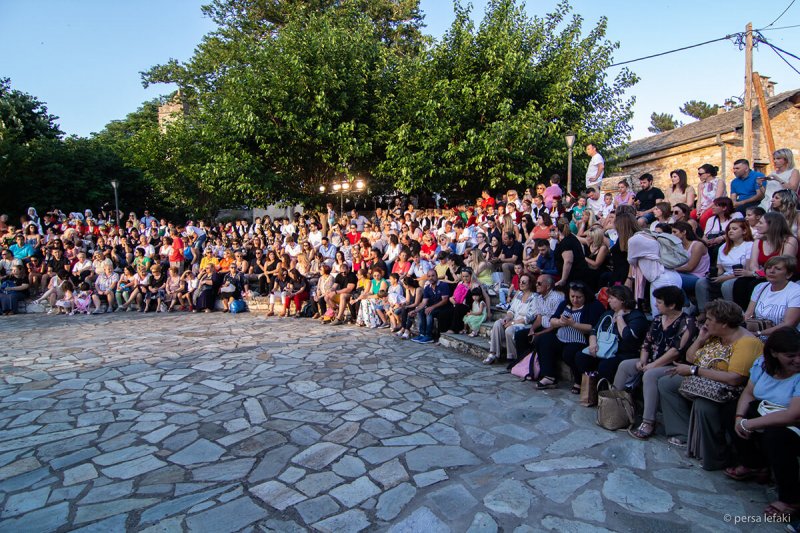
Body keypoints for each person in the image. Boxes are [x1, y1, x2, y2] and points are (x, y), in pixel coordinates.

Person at [658, 300, 762, 469]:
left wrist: (694, 371)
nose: (705, 323)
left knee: (704, 405)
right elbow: (691, 358)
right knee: (666, 382)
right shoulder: (715, 335)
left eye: (710, 319)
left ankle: (715, 457)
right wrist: (700, 339)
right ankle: (682, 433)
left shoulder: (746, 343)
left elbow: (735, 378)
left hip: (728, 389)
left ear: (724, 324)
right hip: (705, 380)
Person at [727, 327, 800, 520]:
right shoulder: (762, 365)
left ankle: (790, 499)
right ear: (774, 353)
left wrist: (749, 424)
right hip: (766, 409)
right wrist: (739, 418)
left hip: (792, 421)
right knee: (732, 409)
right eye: (790, 355)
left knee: (776, 437)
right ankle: (754, 464)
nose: (798, 360)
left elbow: (793, 414)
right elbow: (749, 393)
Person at [616, 286, 696, 440]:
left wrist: (652, 365)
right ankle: (617, 409)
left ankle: (648, 422)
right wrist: (643, 360)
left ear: (671, 305)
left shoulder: (687, 322)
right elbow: (647, 343)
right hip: (652, 360)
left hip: (673, 365)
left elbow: (676, 351)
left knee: (650, 375)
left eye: (659, 302)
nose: (656, 305)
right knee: (625, 365)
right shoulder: (658, 319)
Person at [532, 282, 605, 392]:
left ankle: (578, 380)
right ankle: (548, 376)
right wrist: (559, 322)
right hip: (561, 337)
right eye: (572, 296)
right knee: (543, 340)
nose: (575, 300)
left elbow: (593, 327)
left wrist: (573, 324)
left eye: (579, 297)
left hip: (580, 341)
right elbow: (552, 319)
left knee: (570, 352)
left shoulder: (594, 306)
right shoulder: (564, 304)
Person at [576, 285, 648, 384]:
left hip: (623, 353)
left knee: (606, 365)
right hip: (603, 348)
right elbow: (594, 331)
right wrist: (593, 344)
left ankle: (604, 391)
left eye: (611, 298)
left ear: (622, 300)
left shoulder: (637, 317)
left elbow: (627, 336)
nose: (608, 301)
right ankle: (589, 386)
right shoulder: (608, 313)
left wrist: (619, 317)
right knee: (581, 356)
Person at [732, 212, 799, 310]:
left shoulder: (789, 240)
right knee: (740, 283)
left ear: (772, 225)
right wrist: (756, 273)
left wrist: (755, 274)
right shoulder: (758, 241)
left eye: (760, 223)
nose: (757, 225)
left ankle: (756, 314)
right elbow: (753, 264)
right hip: (764, 274)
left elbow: (784, 265)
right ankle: (742, 315)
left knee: (754, 285)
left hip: (785, 275)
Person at [695, 219, 753, 320]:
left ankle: (732, 313)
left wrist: (724, 278)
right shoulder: (723, 247)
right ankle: (703, 312)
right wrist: (714, 275)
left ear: (744, 231)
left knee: (726, 285)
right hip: (725, 274)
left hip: (741, 275)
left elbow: (747, 269)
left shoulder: (750, 245)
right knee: (701, 282)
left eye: (734, 229)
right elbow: (720, 268)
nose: (730, 231)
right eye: (729, 229)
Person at [626, 226, 682, 316]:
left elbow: (631, 260)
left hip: (662, 279)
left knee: (661, 315)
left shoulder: (635, 240)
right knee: (665, 315)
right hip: (669, 276)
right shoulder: (651, 238)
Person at [484, 273, 536, 365]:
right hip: (514, 320)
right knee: (498, 323)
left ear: (530, 284)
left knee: (509, 329)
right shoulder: (519, 294)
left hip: (525, 324)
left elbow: (529, 317)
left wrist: (512, 323)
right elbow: (511, 310)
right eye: (520, 282)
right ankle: (493, 353)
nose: (521, 284)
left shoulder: (535, 297)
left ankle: (512, 357)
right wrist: (507, 318)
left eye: (524, 282)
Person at [743, 255, 800, 339]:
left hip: (784, 339)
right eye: (769, 268)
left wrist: (759, 333)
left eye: (778, 269)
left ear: (788, 274)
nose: (772, 271)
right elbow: (748, 314)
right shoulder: (760, 287)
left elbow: (788, 324)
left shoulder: (796, 291)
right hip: (757, 336)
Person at [409, 269, 452, 344]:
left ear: (437, 276)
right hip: (434, 307)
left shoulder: (443, 285)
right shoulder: (427, 288)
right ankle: (422, 334)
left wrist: (432, 307)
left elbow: (444, 300)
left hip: (445, 307)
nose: (431, 278)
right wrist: (415, 310)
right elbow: (424, 302)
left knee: (429, 312)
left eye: (433, 276)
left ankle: (429, 336)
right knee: (421, 311)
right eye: (429, 276)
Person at [672, 221, 709, 294]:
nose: (672, 234)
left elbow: (690, 267)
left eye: (674, 232)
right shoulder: (678, 245)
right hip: (683, 274)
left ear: (684, 232)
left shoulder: (697, 245)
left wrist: (672, 269)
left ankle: (687, 304)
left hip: (698, 276)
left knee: (670, 278)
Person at [553, 218, 587, 289]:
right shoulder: (572, 237)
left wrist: (563, 279)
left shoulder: (566, 243)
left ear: (557, 228)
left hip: (572, 276)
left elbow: (568, 261)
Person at [696, 164, 726, 230]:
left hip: (715, 206)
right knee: (692, 215)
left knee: (704, 217)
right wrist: (698, 210)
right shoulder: (701, 185)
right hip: (703, 207)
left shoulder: (719, 182)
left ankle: (706, 234)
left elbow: (717, 199)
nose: (698, 176)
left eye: (700, 174)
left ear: (708, 174)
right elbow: (699, 200)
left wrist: (705, 210)